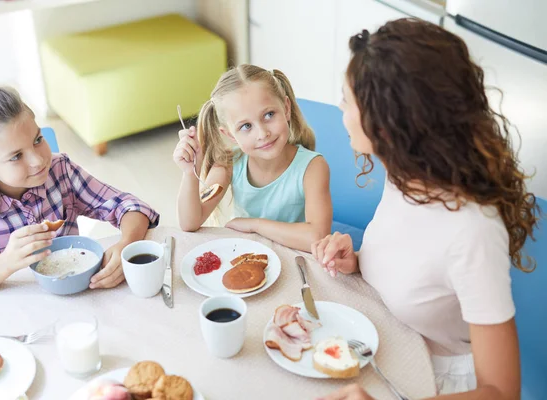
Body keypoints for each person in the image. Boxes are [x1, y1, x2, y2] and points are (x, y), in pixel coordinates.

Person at [313, 19, 539, 399]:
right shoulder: (403, 174)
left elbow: (501, 391)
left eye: (346, 100)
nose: (340, 109)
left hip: (435, 385)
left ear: (385, 127)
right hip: (380, 351)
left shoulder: (473, 231)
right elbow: (416, 265)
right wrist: (360, 259)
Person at [0, 74, 160, 322]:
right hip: (13, 324)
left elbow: (131, 207)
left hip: (80, 310)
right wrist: (6, 262)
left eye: (38, 140)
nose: (38, 160)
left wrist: (126, 245)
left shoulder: (60, 171)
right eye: (16, 156)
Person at [173, 64, 332, 252]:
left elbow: (317, 237)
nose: (262, 133)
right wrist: (190, 173)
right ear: (231, 135)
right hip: (246, 253)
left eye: (269, 115)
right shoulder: (228, 164)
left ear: (286, 108)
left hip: (295, 255)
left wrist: (255, 225)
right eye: (246, 126)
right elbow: (189, 223)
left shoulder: (313, 167)